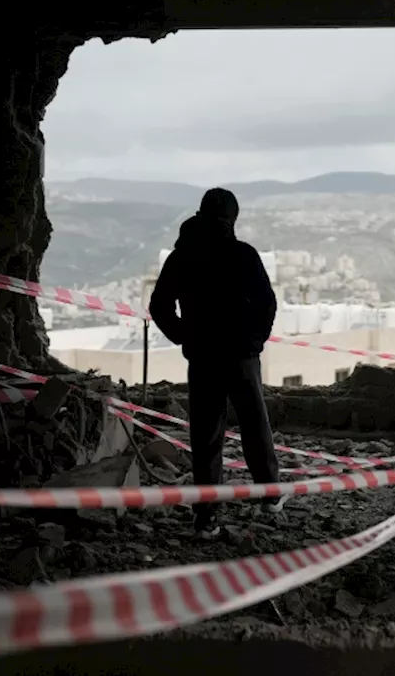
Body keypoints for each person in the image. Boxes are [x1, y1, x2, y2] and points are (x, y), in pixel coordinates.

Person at [149, 188, 285, 538]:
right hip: (241, 357)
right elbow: (267, 304)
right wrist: (254, 341)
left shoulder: (183, 257)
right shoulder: (243, 255)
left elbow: (160, 306)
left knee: (206, 437)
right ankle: (269, 496)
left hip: (204, 357)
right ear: (233, 218)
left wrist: (183, 336)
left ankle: (206, 516)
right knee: (255, 424)